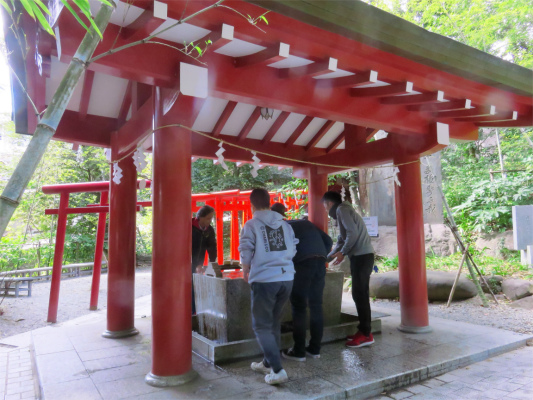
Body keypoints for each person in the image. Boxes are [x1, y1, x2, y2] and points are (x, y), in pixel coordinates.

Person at [239, 189, 298, 385]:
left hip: (265, 280)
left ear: (252, 204)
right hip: (286, 278)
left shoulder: (252, 224)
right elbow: (294, 247)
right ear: (270, 202)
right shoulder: (284, 224)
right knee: (273, 321)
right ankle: (267, 362)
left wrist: (246, 269)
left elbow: (246, 248)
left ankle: (278, 369)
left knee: (261, 325)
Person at [270, 203, 333, 361]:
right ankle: (314, 349)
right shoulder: (303, 222)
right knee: (316, 305)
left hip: (302, 265)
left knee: (299, 307)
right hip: (319, 263)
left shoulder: (280, 228)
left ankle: (298, 351)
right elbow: (328, 240)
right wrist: (321, 255)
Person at [322, 191, 375, 348]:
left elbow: (352, 234)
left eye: (325, 207)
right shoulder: (343, 211)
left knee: (360, 294)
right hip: (361, 257)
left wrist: (342, 253)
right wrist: (326, 258)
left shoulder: (341, 210)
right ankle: (364, 331)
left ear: (330, 203)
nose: (326, 210)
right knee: (358, 294)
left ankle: (366, 334)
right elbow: (341, 240)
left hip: (362, 257)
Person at [191, 205, 217, 315]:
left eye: (211, 218)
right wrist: (195, 264)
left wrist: (212, 262)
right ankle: (192, 311)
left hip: (199, 262)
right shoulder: (190, 227)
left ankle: (196, 310)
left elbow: (212, 247)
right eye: (208, 218)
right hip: (187, 261)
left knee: (197, 285)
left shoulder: (209, 230)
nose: (210, 221)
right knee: (190, 285)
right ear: (200, 217)